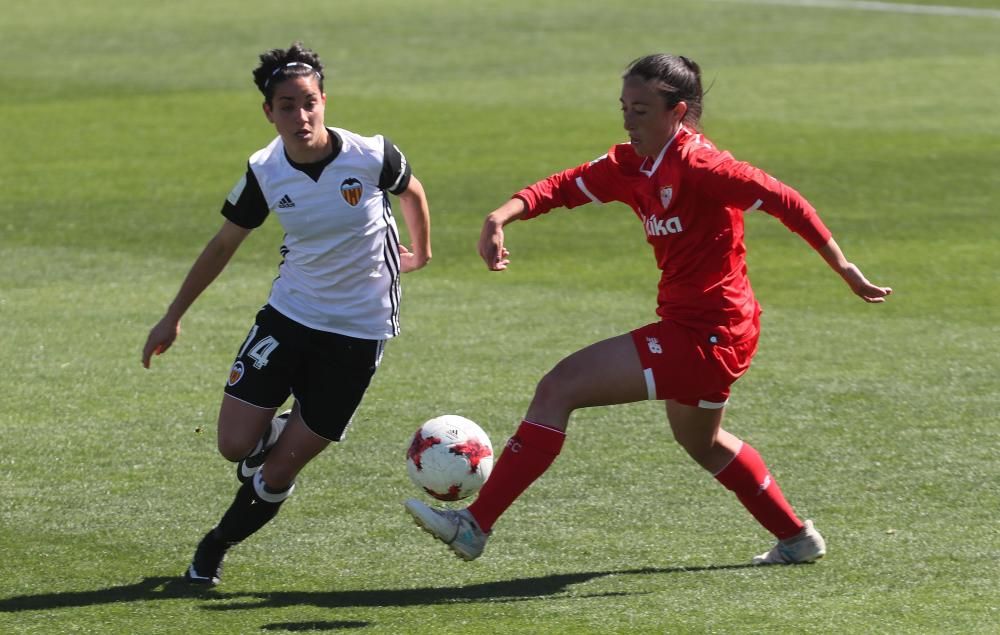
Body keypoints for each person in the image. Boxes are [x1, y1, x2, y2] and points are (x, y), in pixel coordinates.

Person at [404, 53, 890, 565]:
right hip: (714, 330)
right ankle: (797, 538)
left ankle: (474, 526)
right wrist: (501, 215)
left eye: (640, 109)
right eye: (623, 107)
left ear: (677, 112)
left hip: (708, 334)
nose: (627, 120)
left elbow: (784, 199)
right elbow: (564, 187)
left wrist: (843, 266)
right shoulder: (634, 164)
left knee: (559, 387)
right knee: (704, 443)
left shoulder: (704, 167)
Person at [142, 42, 432, 585]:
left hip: (359, 329)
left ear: (324, 100)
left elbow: (411, 190)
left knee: (279, 469)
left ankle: (215, 545)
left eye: (309, 102)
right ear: (268, 112)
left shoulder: (370, 155)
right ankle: (276, 433)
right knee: (233, 444)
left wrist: (422, 251)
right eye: (286, 105)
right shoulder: (264, 170)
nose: (300, 116)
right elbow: (223, 244)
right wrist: (172, 315)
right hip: (289, 314)